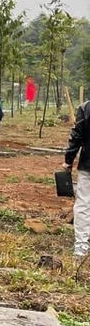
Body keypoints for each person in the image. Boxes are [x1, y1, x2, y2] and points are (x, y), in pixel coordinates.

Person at [62, 95, 90, 259]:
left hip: (88, 165)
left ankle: (81, 247)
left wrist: (68, 160)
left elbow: (76, 136)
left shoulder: (86, 108)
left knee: (84, 204)